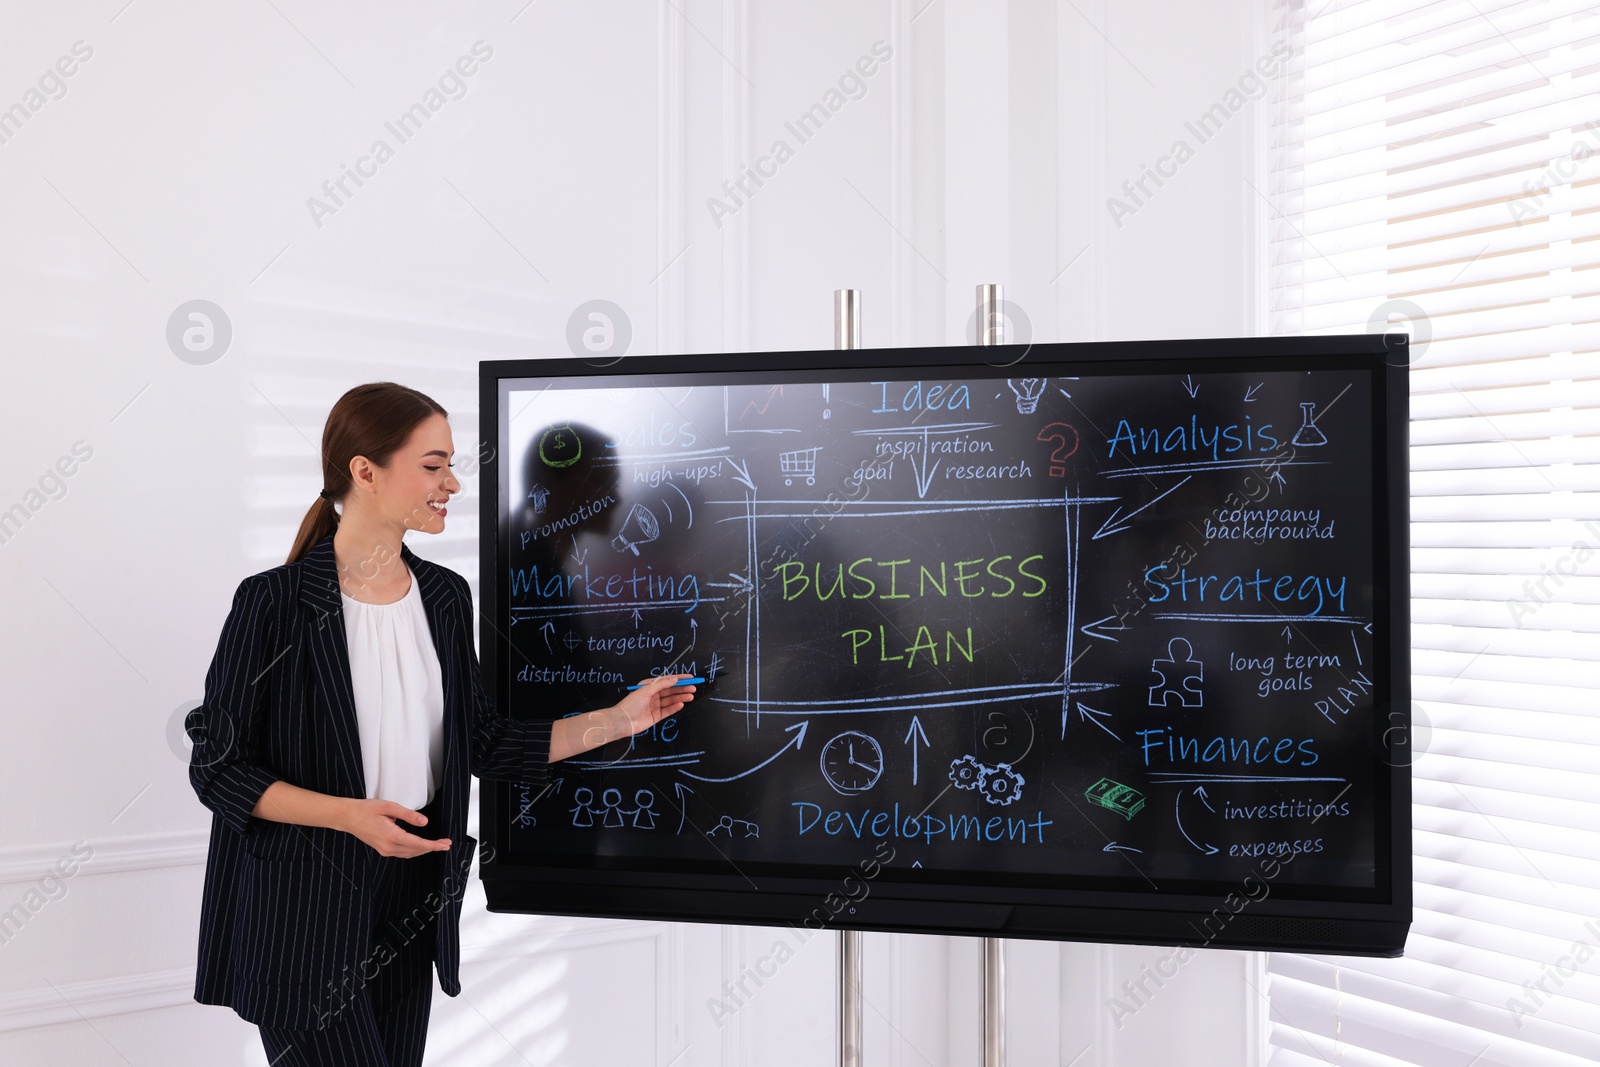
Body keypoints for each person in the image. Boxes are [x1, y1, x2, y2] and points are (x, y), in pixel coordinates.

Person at [186, 381, 696, 1066]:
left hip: (413, 900)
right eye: (432, 465)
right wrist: (350, 816)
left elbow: (484, 742)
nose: (452, 482)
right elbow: (217, 767)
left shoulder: (445, 598)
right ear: (364, 471)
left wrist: (620, 718)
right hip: (302, 912)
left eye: (450, 464)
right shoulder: (272, 604)